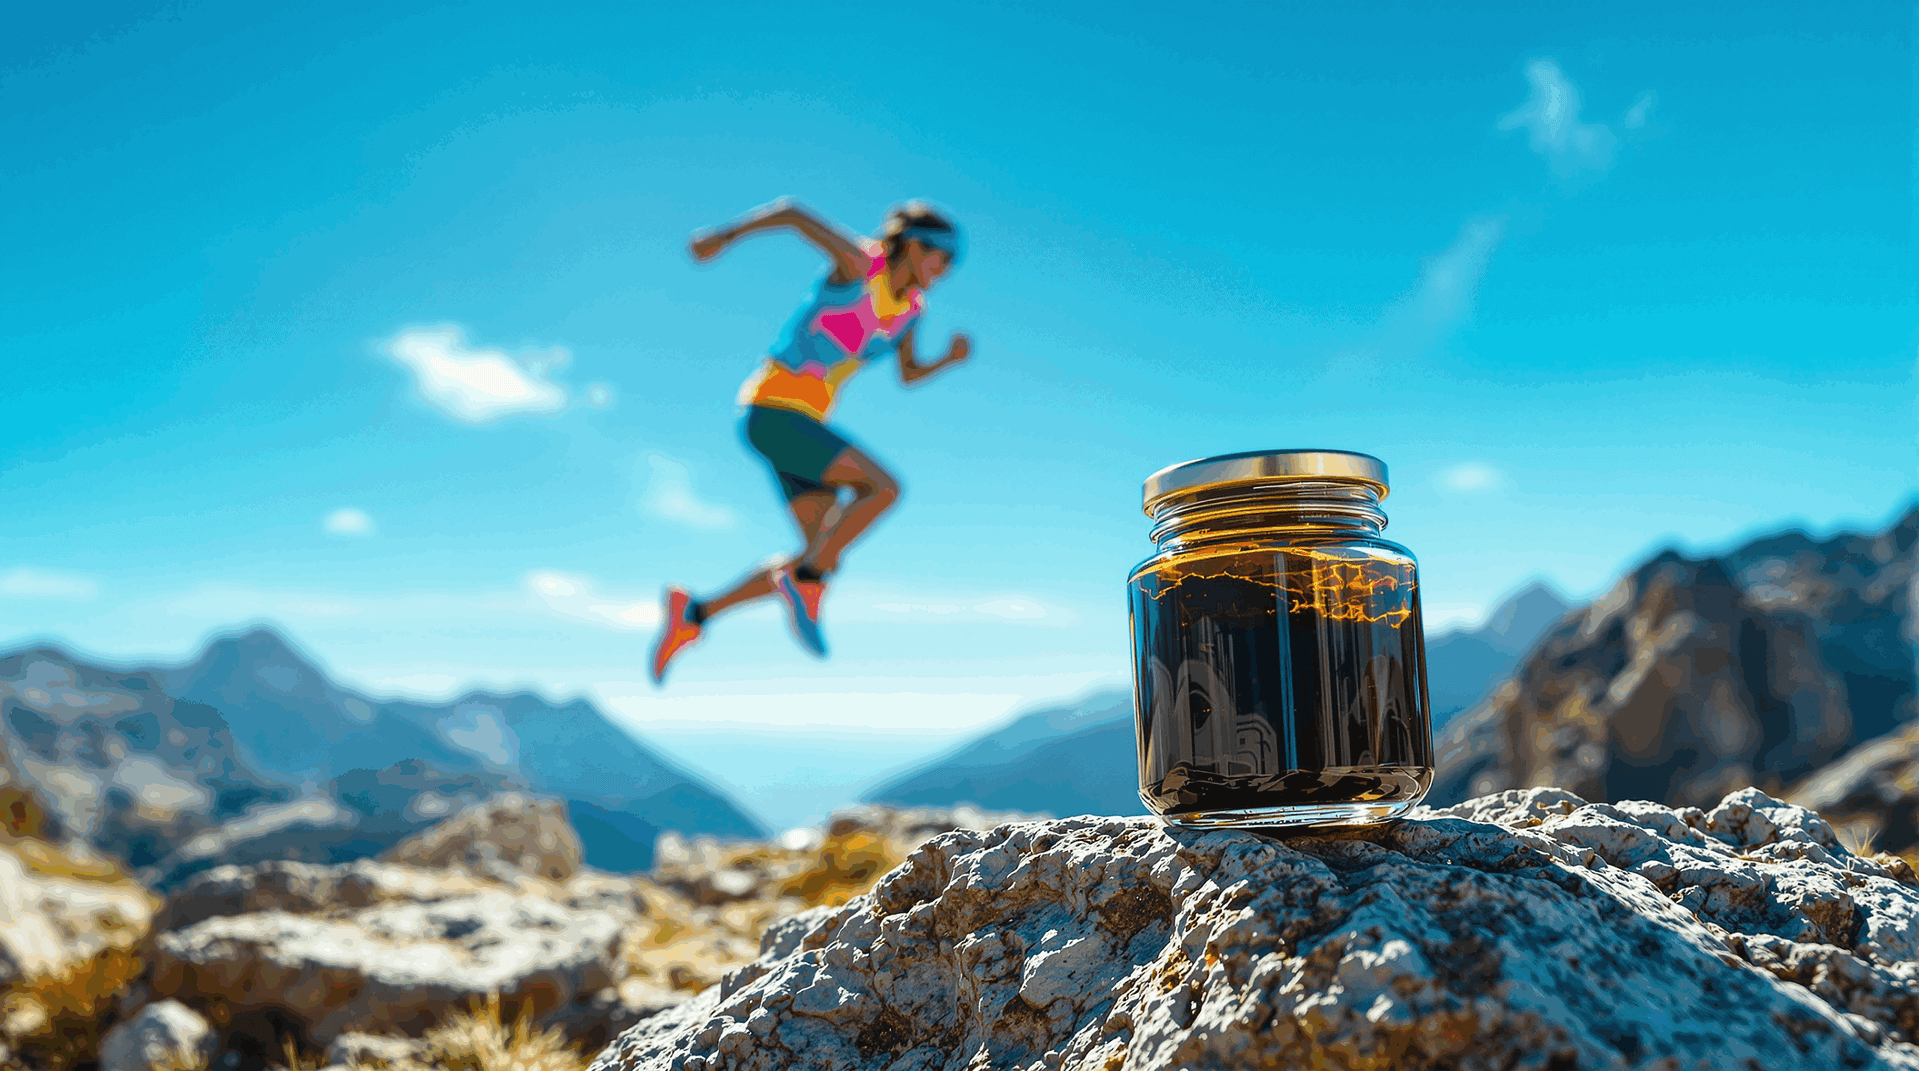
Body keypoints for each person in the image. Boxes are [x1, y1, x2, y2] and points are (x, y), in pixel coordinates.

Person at [649, 199, 971, 684]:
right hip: (771, 411)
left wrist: (946, 360)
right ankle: (806, 582)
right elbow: (794, 214)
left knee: (821, 551)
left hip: (802, 425)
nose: (944, 272)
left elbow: (907, 374)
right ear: (912, 245)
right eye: (940, 259)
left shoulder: (910, 312)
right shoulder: (861, 266)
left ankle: (695, 613)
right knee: (882, 490)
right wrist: (724, 234)